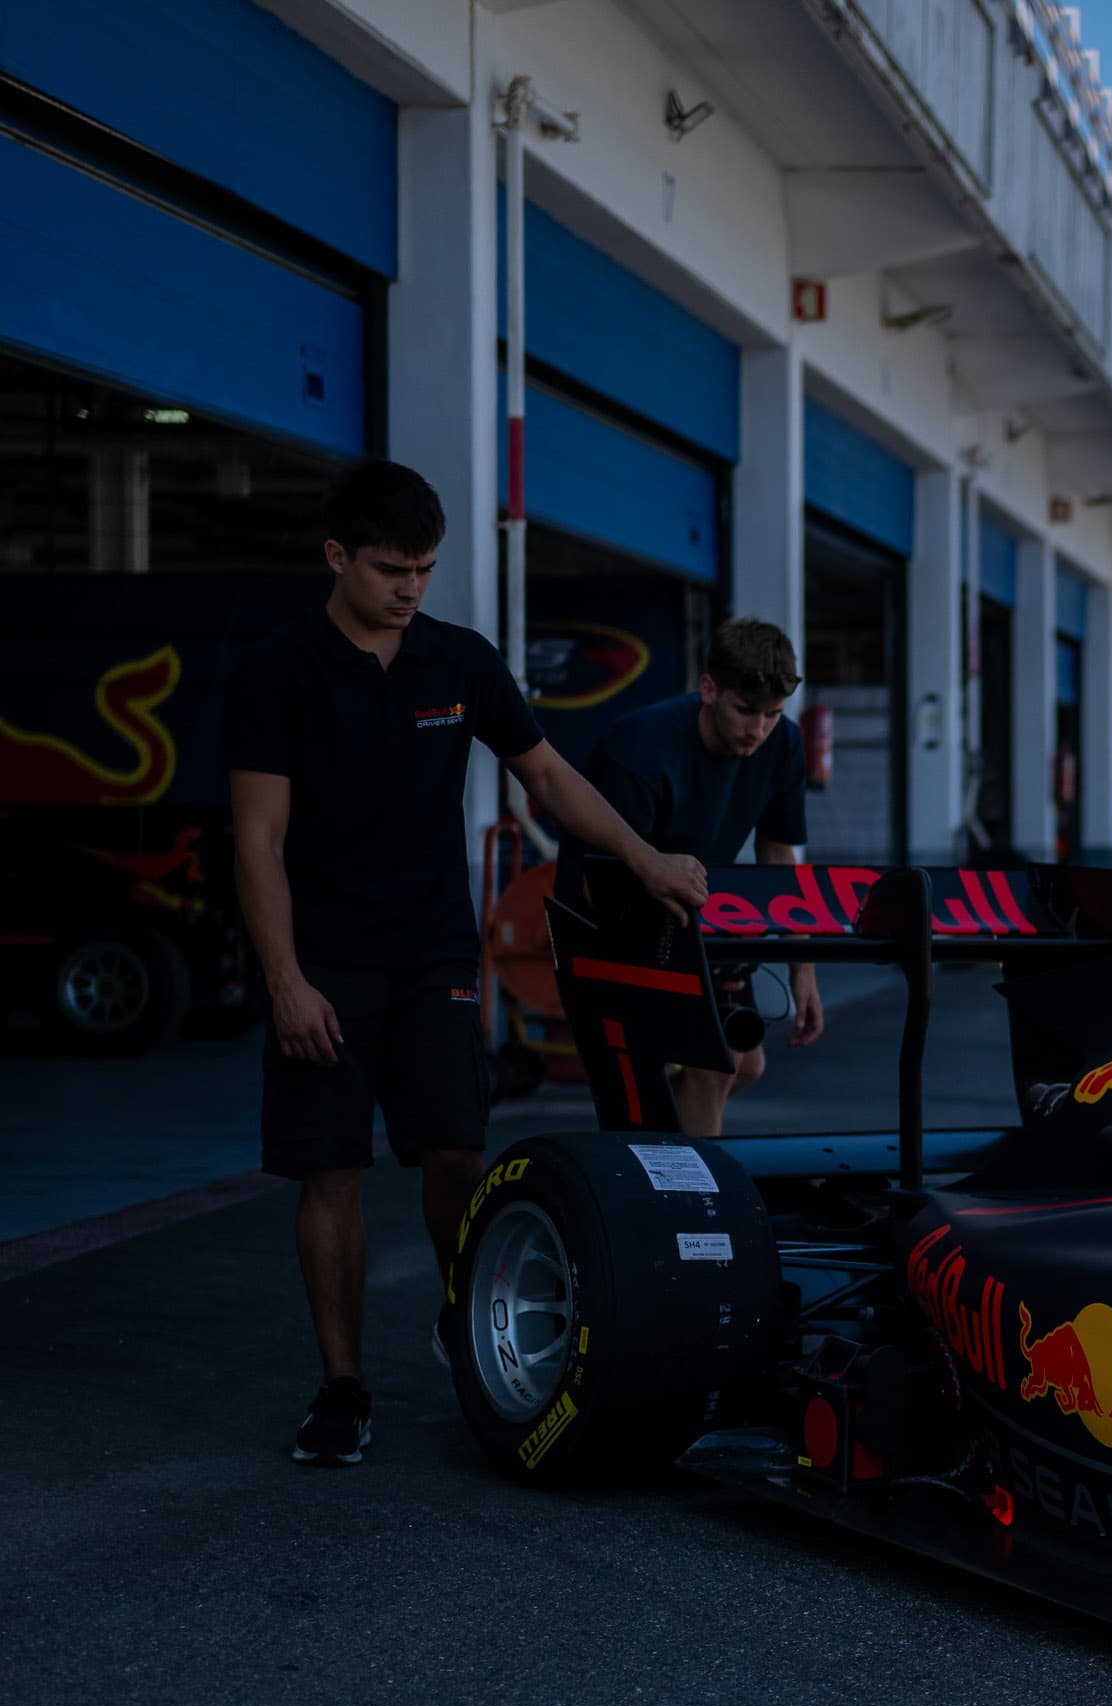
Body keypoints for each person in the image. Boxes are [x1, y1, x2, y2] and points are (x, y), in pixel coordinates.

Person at [228, 460, 712, 1468]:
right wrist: (285, 981)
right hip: (325, 962)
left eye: (426, 569)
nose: (411, 589)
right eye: (392, 569)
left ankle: (467, 1327)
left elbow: (546, 775)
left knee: (455, 1157)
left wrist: (643, 855)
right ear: (336, 557)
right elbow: (257, 840)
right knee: (333, 1172)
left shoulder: (459, 661)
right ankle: (344, 1387)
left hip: (435, 949)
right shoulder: (278, 666)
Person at [558, 618, 824, 1136]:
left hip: (699, 915)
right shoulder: (639, 750)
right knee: (712, 1062)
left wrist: (803, 971)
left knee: (746, 1065)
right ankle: (699, 1207)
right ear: (708, 689)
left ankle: (660, 1161)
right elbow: (599, 883)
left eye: (772, 714)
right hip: (604, 915)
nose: (758, 730)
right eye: (745, 711)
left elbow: (777, 854)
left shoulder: (782, 744)